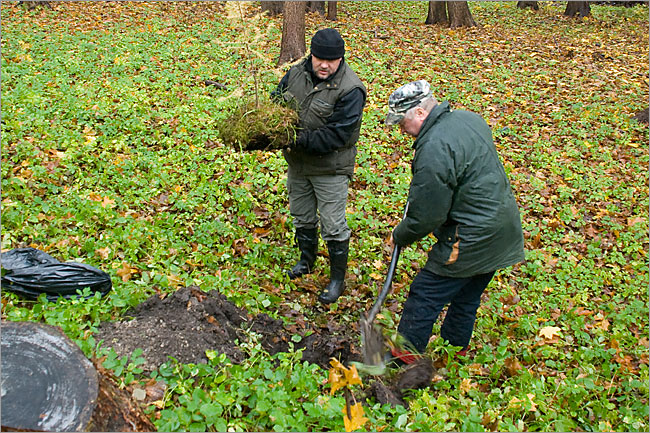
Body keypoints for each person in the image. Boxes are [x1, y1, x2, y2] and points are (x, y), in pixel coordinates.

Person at [384, 80, 525, 364]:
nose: (401, 129)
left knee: (425, 293)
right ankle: (454, 353)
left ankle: (404, 360)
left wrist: (400, 235)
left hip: (472, 236)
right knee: (467, 295)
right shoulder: (468, 119)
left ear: (420, 113)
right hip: (503, 228)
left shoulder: (434, 147)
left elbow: (427, 215)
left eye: (402, 122)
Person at [271, 28, 367, 304]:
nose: (324, 65)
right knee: (301, 216)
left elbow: (337, 135)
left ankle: (337, 279)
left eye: (331, 60)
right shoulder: (295, 74)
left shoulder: (351, 89)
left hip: (330, 168)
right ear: (311, 55)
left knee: (333, 225)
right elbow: (276, 102)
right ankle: (306, 261)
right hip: (298, 164)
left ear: (341, 59)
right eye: (319, 58)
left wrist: (294, 139)